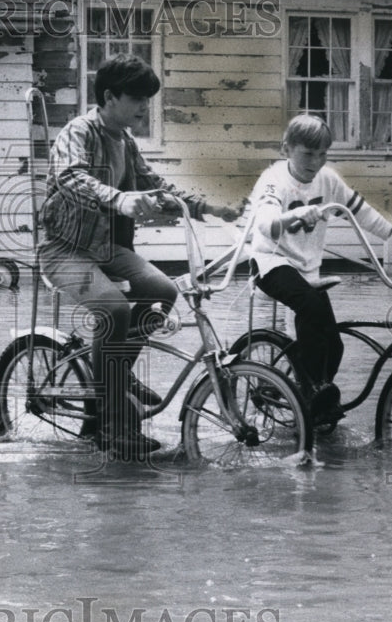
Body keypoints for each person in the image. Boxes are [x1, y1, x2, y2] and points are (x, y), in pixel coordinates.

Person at [39, 53, 242, 457]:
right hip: (64, 248)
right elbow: (70, 177)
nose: (144, 108)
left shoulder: (125, 142)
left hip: (106, 247)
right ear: (111, 97)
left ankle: (113, 373)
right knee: (114, 309)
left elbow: (155, 186)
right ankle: (113, 424)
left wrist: (208, 208)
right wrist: (120, 200)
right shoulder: (78, 131)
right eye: (138, 99)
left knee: (163, 291)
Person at [248, 114, 392, 423]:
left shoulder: (328, 179)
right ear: (286, 149)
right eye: (308, 154)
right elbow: (265, 222)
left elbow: (364, 213)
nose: (316, 162)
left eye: (323, 154)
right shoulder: (274, 179)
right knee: (312, 310)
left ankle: (314, 398)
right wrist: (296, 214)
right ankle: (308, 391)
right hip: (270, 262)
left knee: (334, 344)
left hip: (308, 270)